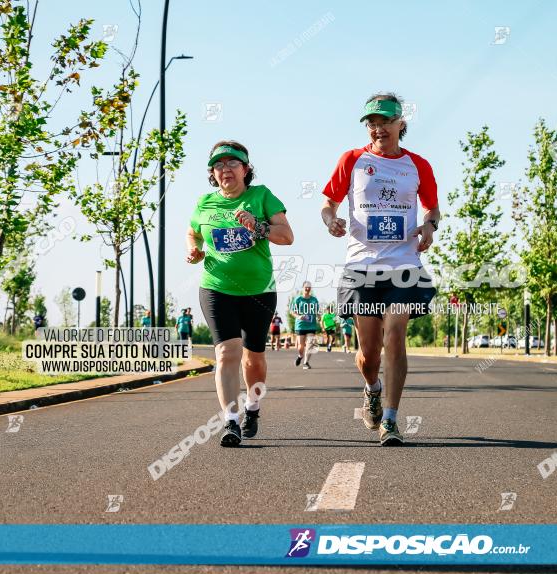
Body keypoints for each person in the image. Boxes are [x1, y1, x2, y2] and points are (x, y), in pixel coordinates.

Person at [320, 92, 440, 446]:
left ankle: (390, 419)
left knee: (395, 334)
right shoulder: (352, 160)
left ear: (401, 124)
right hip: (361, 266)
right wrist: (331, 221)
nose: (378, 128)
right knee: (368, 354)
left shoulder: (418, 165)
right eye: (372, 123)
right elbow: (329, 203)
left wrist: (429, 227)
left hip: (403, 264)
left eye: (385, 122)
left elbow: (433, 209)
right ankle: (372, 388)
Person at [186, 140, 294, 447]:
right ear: (212, 173)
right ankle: (230, 421)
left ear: (246, 169)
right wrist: (193, 250)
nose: (225, 170)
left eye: (232, 163)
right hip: (216, 287)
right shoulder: (205, 203)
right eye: (218, 165)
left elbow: (287, 236)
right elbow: (192, 230)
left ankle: (253, 407)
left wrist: (258, 226)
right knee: (227, 352)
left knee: (254, 359)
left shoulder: (261, 197)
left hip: (258, 292)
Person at [289, 282, 320, 369]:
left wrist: (319, 317)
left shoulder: (314, 299)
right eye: (306, 287)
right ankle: (300, 356)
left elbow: (317, 311)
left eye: (309, 287)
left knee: (310, 344)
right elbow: (292, 311)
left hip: (311, 325)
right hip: (301, 325)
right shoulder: (298, 299)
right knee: (301, 346)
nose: (308, 288)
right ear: (303, 288)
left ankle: (306, 363)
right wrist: (299, 316)